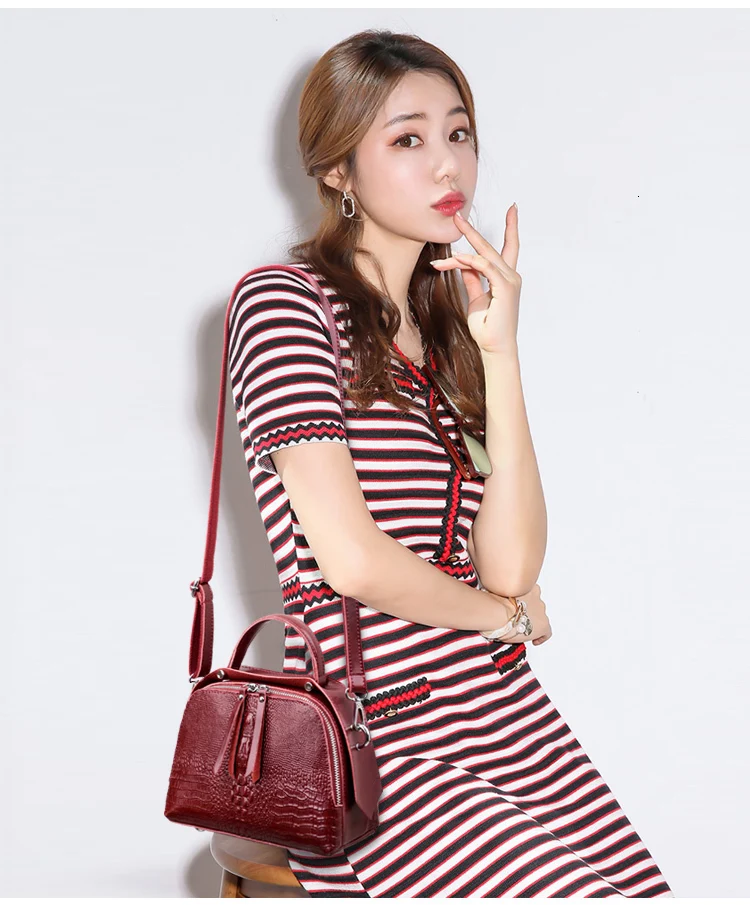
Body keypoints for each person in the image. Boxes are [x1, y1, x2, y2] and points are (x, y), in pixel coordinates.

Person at [227, 28, 674, 899]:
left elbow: (511, 563)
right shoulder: (284, 305)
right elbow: (352, 561)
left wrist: (499, 351)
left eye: (459, 132)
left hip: (507, 714)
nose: (447, 164)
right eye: (407, 139)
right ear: (338, 170)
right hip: (380, 737)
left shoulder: (444, 336)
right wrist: (506, 619)